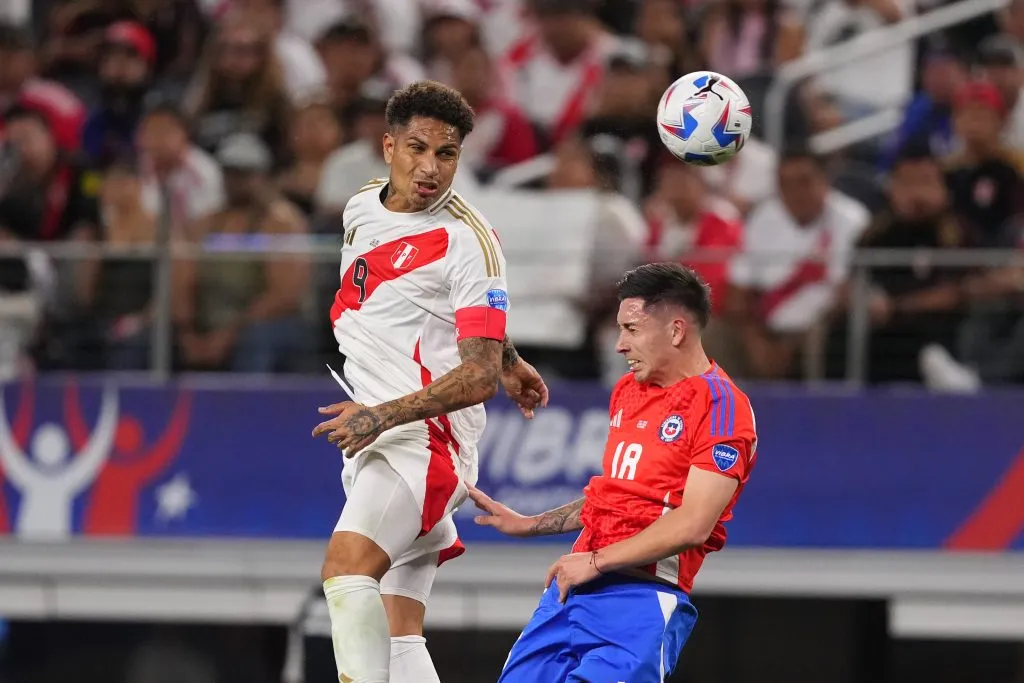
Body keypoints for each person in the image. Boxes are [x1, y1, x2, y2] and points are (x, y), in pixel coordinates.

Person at [310, 80, 548, 683]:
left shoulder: (470, 241)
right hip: (387, 439)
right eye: (417, 149)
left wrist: (378, 416)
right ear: (388, 146)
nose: (431, 168)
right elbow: (428, 310)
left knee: (345, 570)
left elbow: (476, 377)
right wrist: (512, 356)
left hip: (423, 442)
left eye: (447, 155)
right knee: (398, 632)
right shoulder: (361, 207)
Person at [470, 262, 759, 683]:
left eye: (632, 329)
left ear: (676, 331)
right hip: (572, 591)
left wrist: (596, 562)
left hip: (639, 600)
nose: (620, 344)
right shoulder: (628, 391)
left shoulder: (723, 409)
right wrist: (531, 524)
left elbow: (694, 523)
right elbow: (613, 495)